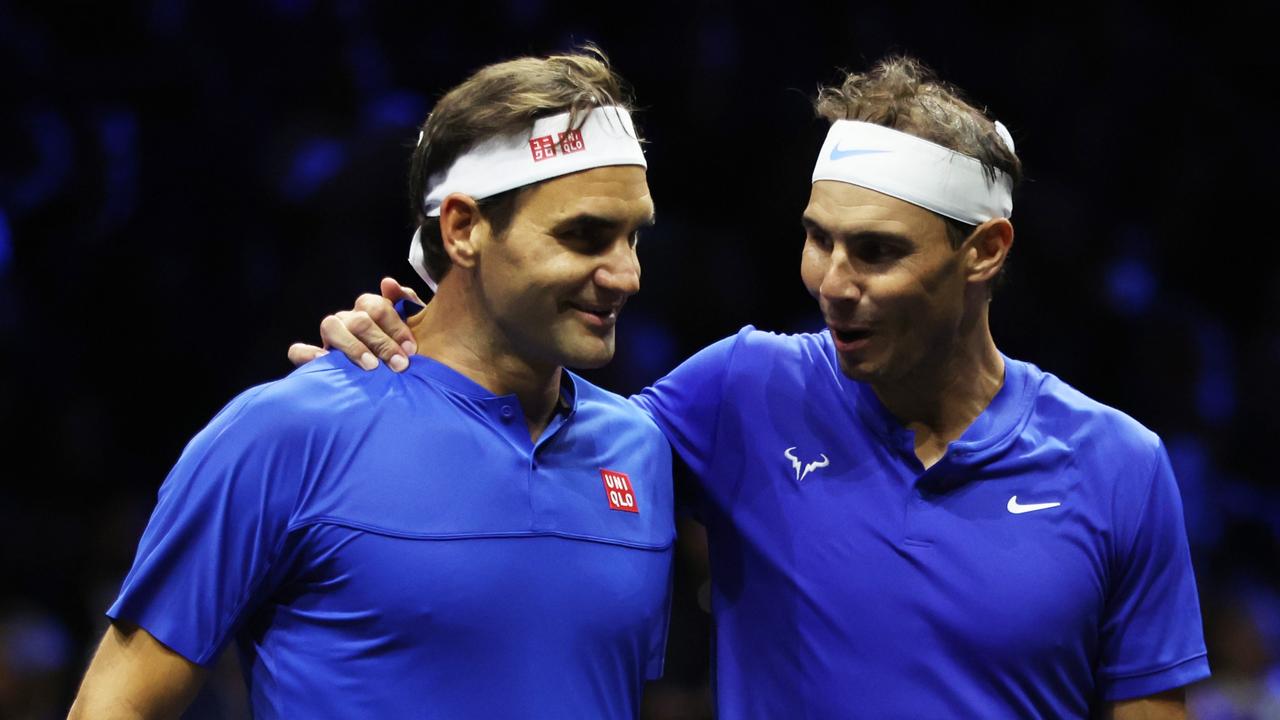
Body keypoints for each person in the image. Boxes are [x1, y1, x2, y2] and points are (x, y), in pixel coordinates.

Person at [304, 56, 1210, 718]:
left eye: (877, 251)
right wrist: (396, 360)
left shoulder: (1118, 466)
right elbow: (525, 441)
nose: (832, 281)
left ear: (984, 253)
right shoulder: (740, 390)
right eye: (820, 238)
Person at [70, 50, 674, 720]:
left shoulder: (640, 448)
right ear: (463, 229)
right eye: (586, 236)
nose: (626, 275)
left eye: (633, 237)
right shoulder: (285, 433)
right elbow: (114, 706)